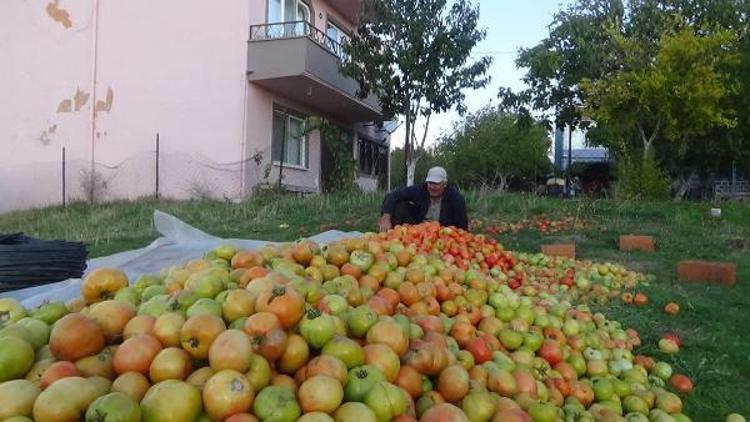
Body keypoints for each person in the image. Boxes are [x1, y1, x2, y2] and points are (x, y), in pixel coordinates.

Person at [378, 166, 468, 231]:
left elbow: (462, 227)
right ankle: (391, 233)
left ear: (444, 184)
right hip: (417, 230)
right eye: (430, 183)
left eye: (436, 184)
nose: (432, 187)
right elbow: (393, 195)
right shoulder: (420, 190)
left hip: (441, 234)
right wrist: (386, 217)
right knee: (399, 204)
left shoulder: (456, 198)